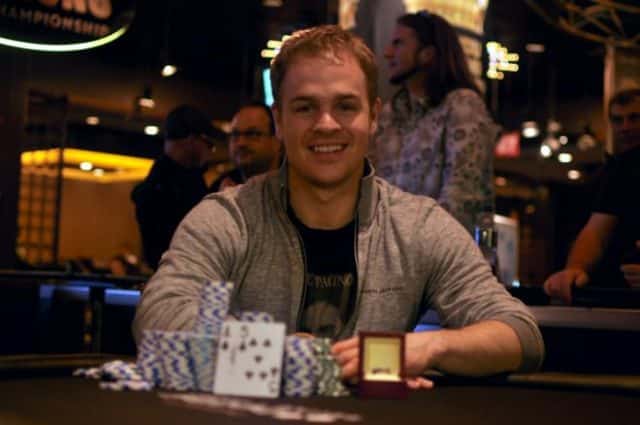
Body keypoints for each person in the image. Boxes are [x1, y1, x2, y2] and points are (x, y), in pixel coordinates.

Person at [133, 26, 543, 386]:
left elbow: (519, 335)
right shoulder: (227, 217)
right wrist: (275, 353)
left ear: (374, 116)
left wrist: (425, 347)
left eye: (345, 106)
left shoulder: (419, 225)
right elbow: (159, 315)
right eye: (305, 107)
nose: (326, 124)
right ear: (279, 119)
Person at [369, 10, 498, 233]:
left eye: (398, 44)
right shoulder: (389, 114)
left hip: (451, 260)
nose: (388, 53)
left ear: (427, 54)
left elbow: (462, 196)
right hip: (395, 258)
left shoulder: (462, 105)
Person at [544, 89, 640, 303]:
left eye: (634, 118)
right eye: (618, 120)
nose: (625, 127)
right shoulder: (618, 170)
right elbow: (596, 232)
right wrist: (574, 270)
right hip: (617, 297)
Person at [131, 105, 222, 269]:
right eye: (209, 144)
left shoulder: (158, 182)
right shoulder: (174, 187)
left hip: (182, 281)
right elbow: (204, 245)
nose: (210, 152)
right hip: (186, 282)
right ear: (192, 139)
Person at [210, 102, 282, 191]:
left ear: (277, 141)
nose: (241, 143)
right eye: (235, 134)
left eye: (252, 134)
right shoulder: (218, 188)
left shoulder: (295, 188)